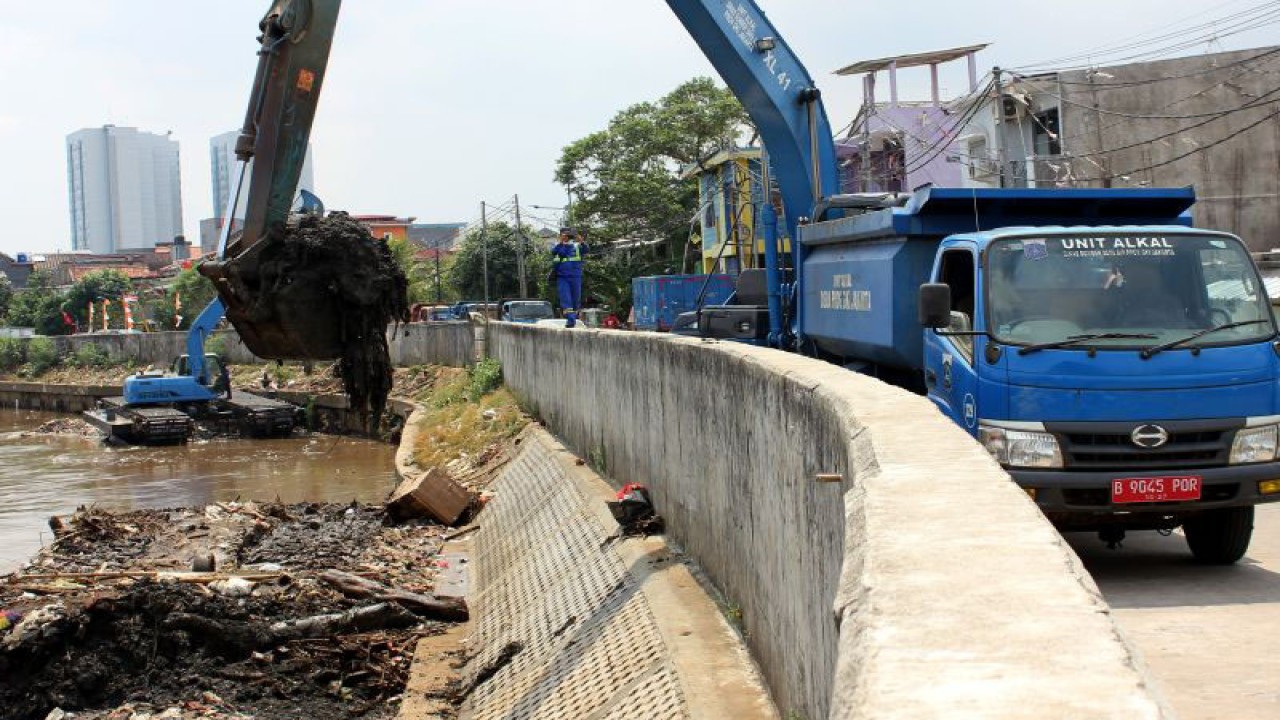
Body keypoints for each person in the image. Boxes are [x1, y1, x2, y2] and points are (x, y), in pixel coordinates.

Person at [550, 227, 587, 327]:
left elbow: (586, 250)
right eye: (564, 234)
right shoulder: (557, 246)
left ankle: (573, 318)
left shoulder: (577, 246)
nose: (566, 236)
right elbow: (554, 252)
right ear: (560, 236)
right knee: (566, 299)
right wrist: (561, 242)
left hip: (576, 276)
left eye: (568, 234)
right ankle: (570, 319)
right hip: (562, 277)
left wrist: (581, 240)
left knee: (575, 300)